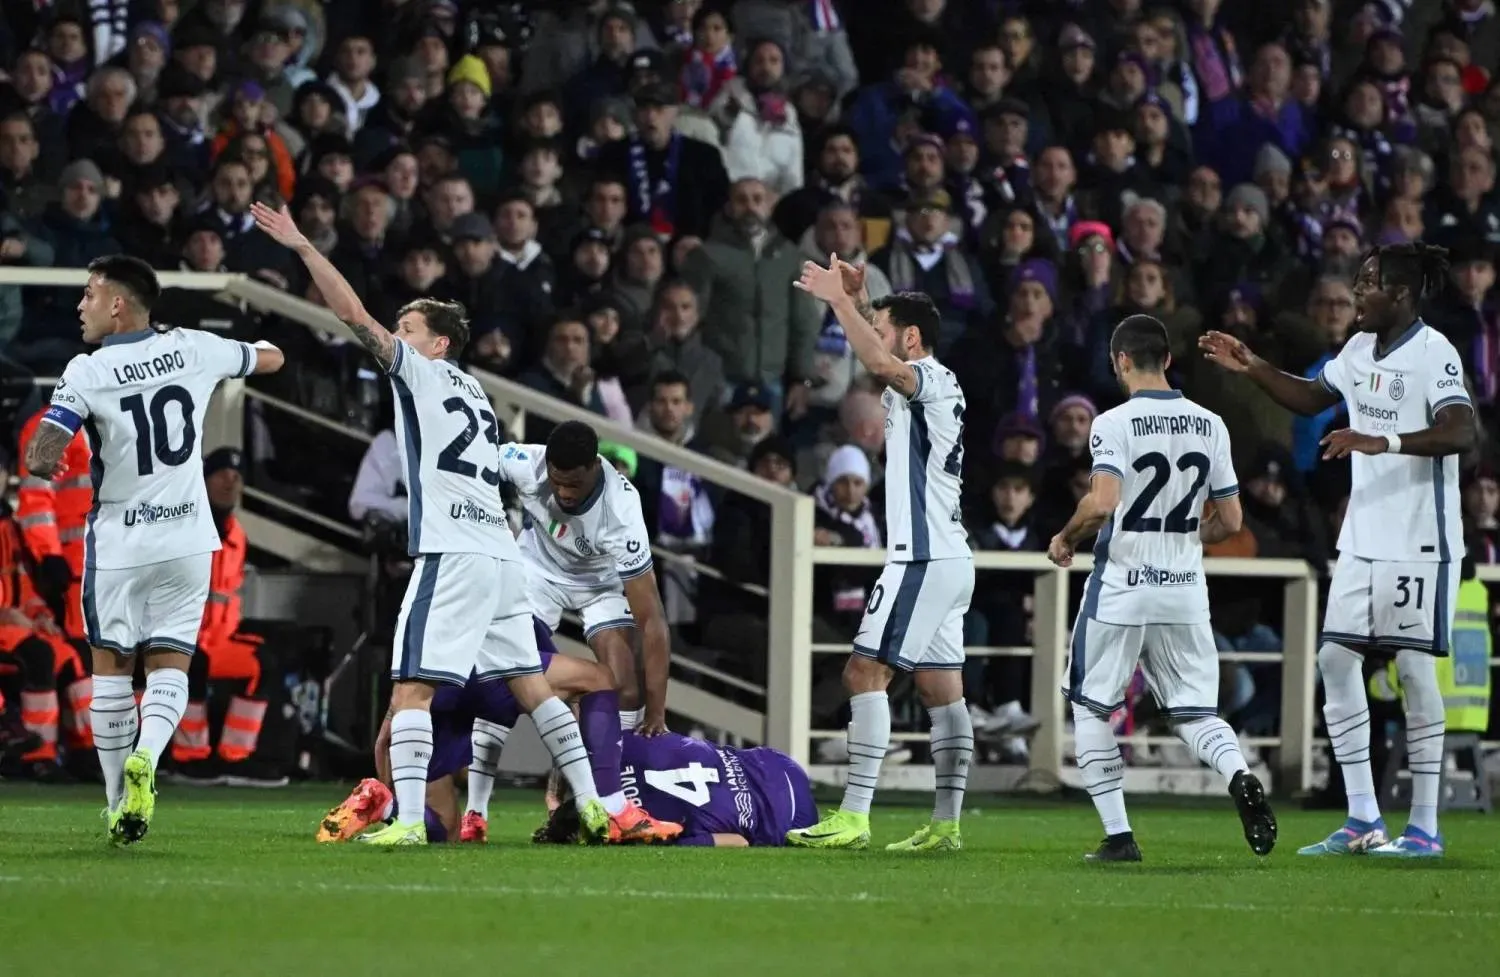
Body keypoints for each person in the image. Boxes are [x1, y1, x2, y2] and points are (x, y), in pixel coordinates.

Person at [251, 202, 614, 847]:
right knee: (531, 684)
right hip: (501, 557)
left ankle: (410, 825)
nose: (398, 334)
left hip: (451, 553)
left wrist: (305, 249)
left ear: (437, 344)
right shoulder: (478, 396)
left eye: (408, 327)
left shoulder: (419, 374)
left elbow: (350, 316)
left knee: (410, 689)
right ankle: (591, 805)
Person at [1201, 242, 1478, 859]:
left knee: (1410, 667)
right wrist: (1253, 365)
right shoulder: (1356, 351)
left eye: (1369, 283)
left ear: (1402, 294)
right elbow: (1309, 396)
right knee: (1333, 659)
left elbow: (1463, 429)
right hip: (1362, 537)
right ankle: (1362, 818)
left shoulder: (1435, 353)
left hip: (1420, 540)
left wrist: (1381, 440)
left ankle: (1425, 828)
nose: (1358, 292)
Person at [24, 255, 285, 845]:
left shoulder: (89, 369)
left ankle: (120, 802)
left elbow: (46, 447)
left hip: (120, 539)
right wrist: (260, 347)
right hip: (189, 539)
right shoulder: (195, 347)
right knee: (171, 663)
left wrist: (43, 457)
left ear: (118, 304)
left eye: (89, 295)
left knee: (112, 672)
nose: (80, 306)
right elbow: (269, 357)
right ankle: (149, 754)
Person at [1048, 314, 1276, 862]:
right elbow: (1231, 521)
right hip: (1183, 589)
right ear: (1168, 361)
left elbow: (1102, 503)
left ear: (1121, 361)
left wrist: (1065, 537)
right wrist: (1183, 535)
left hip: (1123, 586)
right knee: (1196, 711)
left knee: (1090, 705)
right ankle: (1239, 773)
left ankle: (1119, 836)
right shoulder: (1211, 424)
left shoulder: (1113, 423)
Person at [783, 258, 975, 853]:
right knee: (943, 693)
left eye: (887, 325)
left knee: (863, 673)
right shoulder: (933, 382)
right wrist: (863, 299)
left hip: (921, 559)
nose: (877, 331)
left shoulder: (929, 379)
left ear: (911, 338)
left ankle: (855, 814)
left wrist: (839, 303)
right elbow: (881, 343)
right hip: (948, 558)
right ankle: (946, 824)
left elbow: (875, 358)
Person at [316, 618, 682, 846]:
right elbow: (562, 709)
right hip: (490, 673)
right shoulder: (512, 578)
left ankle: (384, 805)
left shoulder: (431, 578)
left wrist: (389, 741)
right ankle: (609, 806)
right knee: (597, 678)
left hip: (431, 689)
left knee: (444, 827)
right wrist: (566, 780)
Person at [495, 421, 671, 736]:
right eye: (557, 482)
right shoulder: (525, 463)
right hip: (536, 572)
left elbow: (652, 619)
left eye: (574, 484)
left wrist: (657, 713)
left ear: (595, 466)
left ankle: (615, 776)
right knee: (503, 674)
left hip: (599, 588)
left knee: (627, 691)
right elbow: (468, 466)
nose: (564, 493)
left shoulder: (621, 512)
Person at [534, 730, 818, 847]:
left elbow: (738, 842)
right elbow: (571, 739)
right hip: (775, 762)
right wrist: (553, 796)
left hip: (791, 819)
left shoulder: (654, 832)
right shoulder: (621, 749)